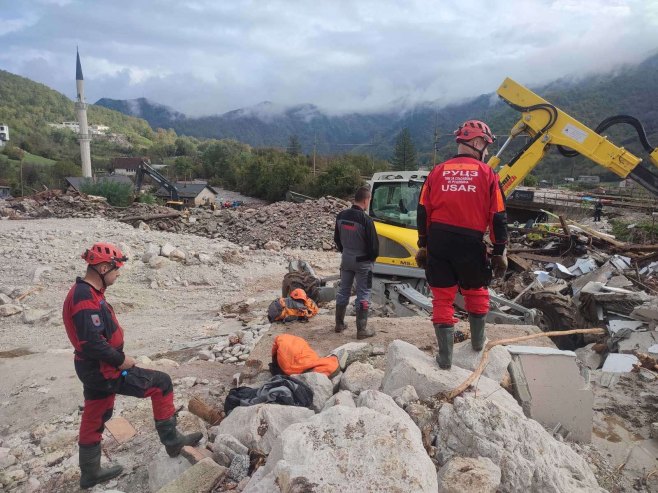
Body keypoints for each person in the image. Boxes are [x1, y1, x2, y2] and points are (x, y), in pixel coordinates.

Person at [62, 242, 202, 489]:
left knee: (96, 414)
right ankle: (173, 442)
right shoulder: (84, 296)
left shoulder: (87, 292)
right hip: (103, 368)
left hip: (91, 368)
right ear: (104, 267)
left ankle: (90, 473)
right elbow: (92, 343)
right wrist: (121, 360)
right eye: (117, 269)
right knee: (161, 383)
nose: (119, 273)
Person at [417, 120, 508, 369]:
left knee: (442, 297)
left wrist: (423, 245)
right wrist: (500, 250)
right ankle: (478, 344)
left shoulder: (436, 172)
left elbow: (423, 211)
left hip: (439, 240)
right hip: (470, 240)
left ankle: (445, 358)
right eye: (486, 146)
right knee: (476, 290)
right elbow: (498, 216)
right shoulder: (488, 174)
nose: (487, 152)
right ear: (477, 143)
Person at [334, 186, 380, 339]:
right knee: (364, 293)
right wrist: (370, 259)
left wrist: (346, 251)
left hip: (346, 259)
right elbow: (374, 247)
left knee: (343, 290)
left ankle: (339, 324)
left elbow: (336, 239)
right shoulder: (366, 220)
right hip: (363, 263)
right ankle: (361, 330)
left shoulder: (341, 216)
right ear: (366, 200)